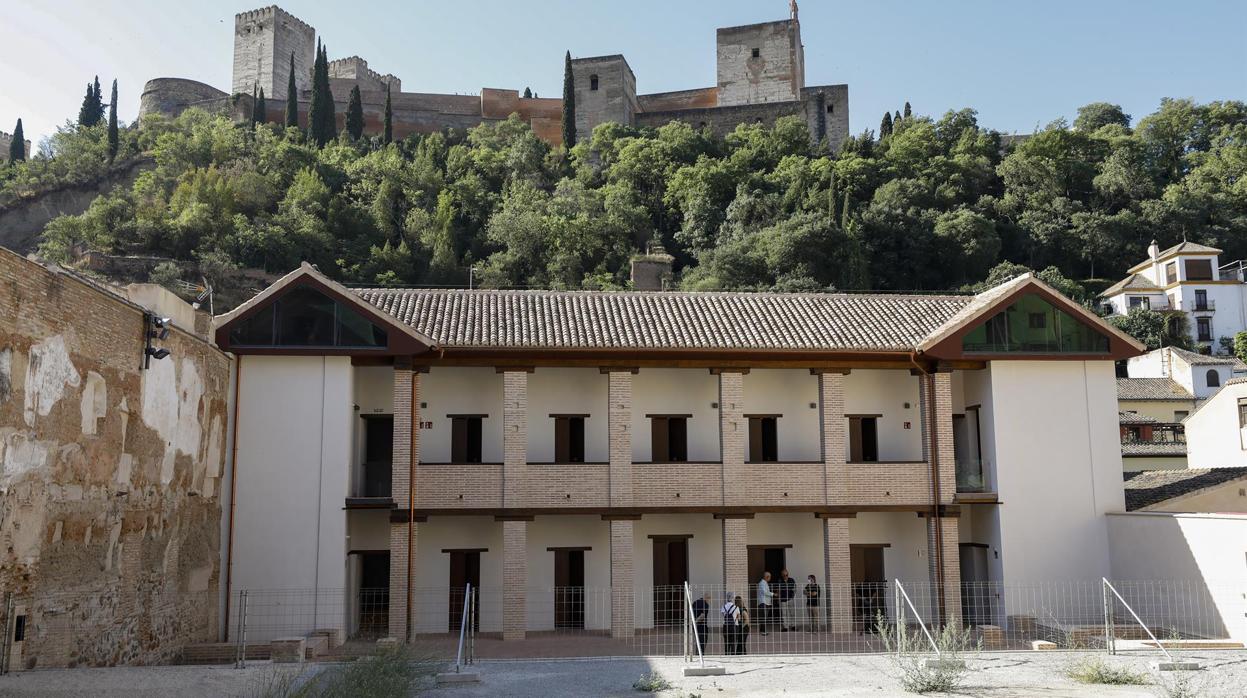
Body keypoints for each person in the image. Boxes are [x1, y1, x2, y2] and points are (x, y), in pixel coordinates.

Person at [756, 571, 774, 635]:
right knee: (763, 618)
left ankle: (762, 631)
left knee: (764, 618)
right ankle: (763, 631)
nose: (770, 578)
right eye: (770, 577)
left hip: (766, 603)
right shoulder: (762, 583)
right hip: (763, 603)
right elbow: (765, 592)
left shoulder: (764, 583)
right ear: (767, 577)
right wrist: (773, 594)